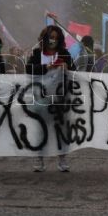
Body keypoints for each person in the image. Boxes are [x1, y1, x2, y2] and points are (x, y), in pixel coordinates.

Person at [26, 25, 75, 172]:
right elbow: (29, 69)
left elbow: (75, 71)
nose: (53, 40)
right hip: (41, 97)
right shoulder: (36, 53)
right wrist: (47, 67)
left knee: (62, 129)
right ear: (44, 38)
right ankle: (40, 160)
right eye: (50, 37)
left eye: (56, 37)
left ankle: (62, 159)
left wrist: (67, 66)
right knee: (41, 129)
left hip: (60, 98)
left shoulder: (64, 53)